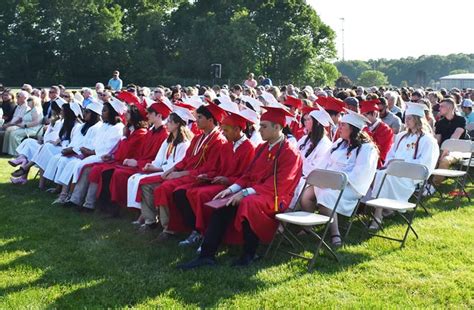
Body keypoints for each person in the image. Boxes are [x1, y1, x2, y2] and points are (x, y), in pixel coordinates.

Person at [178, 106, 302, 269]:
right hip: (257, 192)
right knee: (224, 202)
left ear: (277, 127)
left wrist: (244, 193)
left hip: (275, 197)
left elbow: (279, 184)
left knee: (247, 203)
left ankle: (249, 254)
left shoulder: (289, 152)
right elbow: (247, 175)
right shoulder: (262, 148)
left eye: (264, 126)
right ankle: (207, 254)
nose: (259, 130)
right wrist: (231, 190)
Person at [138, 102, 227, 241]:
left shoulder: (218, 141)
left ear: (210, 120)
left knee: (166, 188)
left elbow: (210, 168)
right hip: (187, 173)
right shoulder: (198, 138)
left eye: (199, 118)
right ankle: (154, 222)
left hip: (198, 177)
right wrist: (172, 169)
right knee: (150, 184)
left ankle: (170, 229)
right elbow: (186, 160)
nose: (196, 121)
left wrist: (180, 174)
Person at [170, 110, 256, 246]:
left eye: (226, 131)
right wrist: (208, 176)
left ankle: (206, 234)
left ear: (237, 130)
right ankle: (197, 230)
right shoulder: (227, 145)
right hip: (219, 181)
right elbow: (216, 168)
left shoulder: (249, 148)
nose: (223, 134)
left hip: (233, 186)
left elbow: (246, 176)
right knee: (186, 191)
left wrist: (227, 180)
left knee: (200, 194)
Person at [298, 110, 379, 247]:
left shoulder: (367, 148)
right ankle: (308, 227)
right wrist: (322, 178)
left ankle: (335, 234)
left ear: (352, 129)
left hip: (349, 187)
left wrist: (336, 181)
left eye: (343, 125)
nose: (339, 128)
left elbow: (360, 174)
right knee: (306, 194)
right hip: (329, 182)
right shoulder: (339, 144)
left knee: (326, 195)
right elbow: (324, 163)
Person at [65, 102, 151, 212]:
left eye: (129, 112)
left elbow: (125, 152)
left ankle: (91, 204)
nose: (125, 114)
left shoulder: (139, 132)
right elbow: (119, 150)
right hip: (116, 159)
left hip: (126, 163)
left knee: (98, 170)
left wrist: (124, 138)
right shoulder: (129, 129)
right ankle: (77, 200)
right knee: (89, 168)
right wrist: (111, 156)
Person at [89, 100, 170, 215]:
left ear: (159, 115)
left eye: (150, 113)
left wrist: (137, 162)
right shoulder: (150, 132)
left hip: (148, 166)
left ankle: (117, 208)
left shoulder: (162, 134)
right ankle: (105, 205)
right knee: (106, 170)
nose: (147, 116)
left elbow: (153, 158)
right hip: (138, 163)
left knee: (116, 173)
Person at [368, 103, 440, 229]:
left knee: (385, 177)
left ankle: (378, 215)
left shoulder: (428, 140)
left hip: (411, 174)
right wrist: (391, 163)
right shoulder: (401, 136)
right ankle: (385, 209)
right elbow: (391, 154)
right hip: (394, 170)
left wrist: (401, 162)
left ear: (418, 120)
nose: (406, 121)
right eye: (406, 117)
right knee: (379, 174)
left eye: (410, 118)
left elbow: (425, 164)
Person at [127, 107, 193, 215]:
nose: (166, 124)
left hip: (171, 173)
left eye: (169, 122)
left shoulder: (184, 144)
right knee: (134, 178)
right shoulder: (168, 141)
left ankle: (148, 218)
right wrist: (152, 166)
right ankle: (146, 217)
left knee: (143, 183)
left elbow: (178, 164)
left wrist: (157, 168)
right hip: (161, 170)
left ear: (177, 124)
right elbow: (159, 158)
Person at [10, 98, 84, 185]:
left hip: (64, 150)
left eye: (63, 111)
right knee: (30, 142)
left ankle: (25, 167)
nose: (61, 112)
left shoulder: (75, 125)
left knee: (44, 148)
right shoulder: (64, 122)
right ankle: (23, 163)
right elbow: (60, 137)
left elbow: (66, 141)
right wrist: (47, 140)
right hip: (55, 146)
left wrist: (51, 141)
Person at [289, 107, 334, 209]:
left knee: (295, 187)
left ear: (317, 123)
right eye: (305, 119)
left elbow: (316, 169)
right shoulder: (304, 139)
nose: (305, 122)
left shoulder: (325, 145)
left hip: (309, 179)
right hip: (298, 174)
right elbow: (294, 157)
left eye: (309, 119)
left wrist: (298, 167)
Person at [10, 100, 63, 169]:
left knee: (29, 150)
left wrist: (45, 140)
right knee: (28, 141)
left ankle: (23, 165)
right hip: (45, 144)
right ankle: (22, 158)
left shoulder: (60, 122)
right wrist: (43, 138)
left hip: (50, 149)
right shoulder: (54, 120)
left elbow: (56, 137)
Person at [433, 97, 466, 186]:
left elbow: (455, 137)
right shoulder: (440, 123)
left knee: (445, 160)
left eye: (442, 106)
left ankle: (434, 185)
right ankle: (424, 184)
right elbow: (437, 139)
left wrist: (444, 152)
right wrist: (435, 152)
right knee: (431, 157)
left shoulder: (461, 120)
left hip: (457, 150)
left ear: (450, 108)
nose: (439, 108)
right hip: (443, 149)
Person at [360, 99, 394, 168]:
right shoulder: (364, 128)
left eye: (365, 115)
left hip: (377, 162)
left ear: (375, 114)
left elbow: (380, 151)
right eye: (362, 116)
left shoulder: (385, 129)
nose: (364, 119)